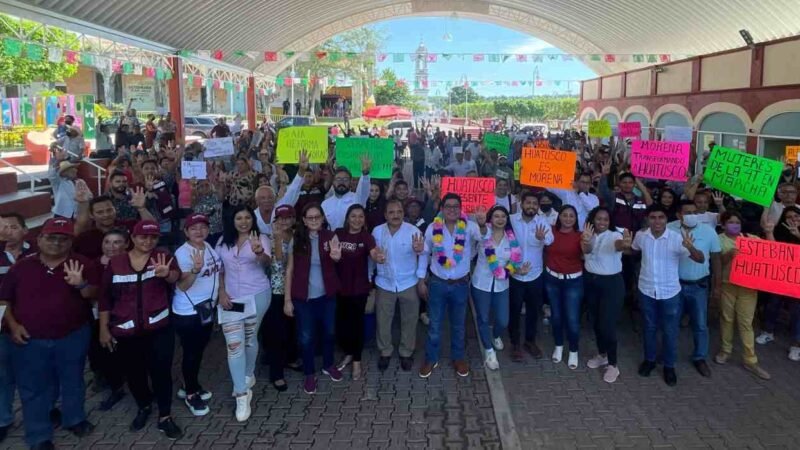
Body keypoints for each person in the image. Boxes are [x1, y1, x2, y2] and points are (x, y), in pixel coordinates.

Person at [0, 218, 99, 449]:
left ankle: (74, 419)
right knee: (32, 387)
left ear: (70, 241)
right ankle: (38, 435)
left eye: (63, 239)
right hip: (29, 339)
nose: (56, 243)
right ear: (40, 239)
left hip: (73, 335)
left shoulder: (82, 263)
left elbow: (94, 294)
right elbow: (3, 301)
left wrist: (82, 284)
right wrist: (13, 326)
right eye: (51, 237)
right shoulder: (21, 267)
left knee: (73, 380)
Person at [98, 220, 183, 439]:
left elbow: (176, 277)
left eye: (153, 237)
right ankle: (143, 405)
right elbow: (105, 298)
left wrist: (166, 274)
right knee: (135, 374)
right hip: (126, 331)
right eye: (143, 237)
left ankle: (165, 416)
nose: (148, 241)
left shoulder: (163, 256)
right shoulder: (116, 263)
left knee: (161, 373)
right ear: (132, 239)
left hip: (159, 328)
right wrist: (103, 329)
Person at [631, 205, 704, 386]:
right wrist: (622, 245)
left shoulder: (677, 238)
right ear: (648, 219)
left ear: (667, 219)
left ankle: (669, 366)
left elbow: (700, 259)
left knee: (670, 331)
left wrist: (691, 247)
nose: (657, 221)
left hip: (670, 292)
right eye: (653, 217)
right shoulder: (641, 236)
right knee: (649, 327)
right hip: (647, 290)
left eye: (661, 217)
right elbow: (633, 250)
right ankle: (649, 360)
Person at [215, 206, 272, 421]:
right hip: (230, 299)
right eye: (239, 218)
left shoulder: (261, 238)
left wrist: (259, 252)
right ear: (233, 220)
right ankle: (241, 393)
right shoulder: (222, 241)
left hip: (257, 295)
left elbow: (267, 264)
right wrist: (221, 292)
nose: (244, 221)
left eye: (248, 217)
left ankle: (248, 375)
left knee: (249, 339)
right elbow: (220, 270)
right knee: (234, 345)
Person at [419, 193, 484, 378]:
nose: (452, 209)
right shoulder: (432, 228)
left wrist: (481, 224)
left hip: (460, 284)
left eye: (456, 206)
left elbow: (483, 239)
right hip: (437, 284)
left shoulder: (470, 227)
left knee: (458, 325)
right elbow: (425, 254)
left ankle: (458, 358)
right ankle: (431, 358)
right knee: (435, 325)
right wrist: (420, 279)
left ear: (461, 208)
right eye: (448, 206)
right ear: (442, 209)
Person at [284, 203, 343, 394]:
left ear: (323, 218)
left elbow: (336, 259)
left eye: (317, 217)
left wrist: (335, 256)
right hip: (304, 298)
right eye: (310, 218)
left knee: (329, 333)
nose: (314, 220)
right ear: (304, 220)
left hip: (327, 296)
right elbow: (290, 269)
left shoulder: (330, 236)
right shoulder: (298, 238)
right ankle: (309, 373)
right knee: (306, 337)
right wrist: (287, 299)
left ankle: (328, 364)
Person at [172, 214, 221, 416]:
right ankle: (191, 394)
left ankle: (189, 384)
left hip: (206, 309)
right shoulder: (183, 253)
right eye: (194, 228)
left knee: (198, 351)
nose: (199, 231)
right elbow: (182, 285)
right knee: (191, 353)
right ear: (186, 232)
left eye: (203, 227)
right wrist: (194, 270)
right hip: (189, 312)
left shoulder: (208, 246)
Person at [713, 210, 770, 379]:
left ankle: (750, 360)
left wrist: (769, 232)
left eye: (737, 222)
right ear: (723, 225)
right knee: (727, 319)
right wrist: (729, 255)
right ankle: (725, 351)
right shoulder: (718, 240)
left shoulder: (752, 239)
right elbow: (716, 264)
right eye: (730, 222)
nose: (735, 225)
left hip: (748, 288)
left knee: (746, 323)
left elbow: (771, 252)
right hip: (727, 285)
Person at [667, 200, 721, 377]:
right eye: (687, 212)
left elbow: (716, 260)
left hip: (699, 285)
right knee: (671, 324)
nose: (691, 215)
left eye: (694, 212)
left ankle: (699, 357)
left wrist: (717, 287)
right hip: (674, 286)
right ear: (678, 215)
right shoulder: (669, 229)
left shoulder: (709, 231)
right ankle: (669, 356)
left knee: (700, 325)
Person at [372, 199, 426, 372]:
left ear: (403, 213)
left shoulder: (413, 231)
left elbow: (424, 255)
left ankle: (406, 352)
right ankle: (385, 351)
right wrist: (370, 273)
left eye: (399, 212)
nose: (396, 215)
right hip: (384, 283)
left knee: (410, 319)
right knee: (383, 320)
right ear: (385, 214)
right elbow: (370, 255)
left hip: (408, 282)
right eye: (391, 212)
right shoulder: (377, 232)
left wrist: (420, 253)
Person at [472, 205, 527, 370]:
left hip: (502, 284)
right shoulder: (482, 234)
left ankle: (495, 335)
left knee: (503, 320)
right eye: (496, 216)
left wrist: (519, 270)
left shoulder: (511, 238)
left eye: (503, 216)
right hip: (481, 283)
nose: (500, 219)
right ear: (490, 218)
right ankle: (489, 352)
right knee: (482, 318)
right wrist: (481, 225)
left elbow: (515, 261)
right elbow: (477, 238)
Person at [581, 207, 631, 383]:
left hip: (612, 285)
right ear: (593, 220)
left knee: (607, 325)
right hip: (592, 283)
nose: (602, 222)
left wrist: (625, 244)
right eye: (599, 219)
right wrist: (586, 240)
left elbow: (620, 245)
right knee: (595, 321)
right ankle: (602, 354)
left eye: (606, 219)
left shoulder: (614, 235)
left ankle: (613, 364)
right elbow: (586, 251)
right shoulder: (588, 234)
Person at [334, 205, 380, 380]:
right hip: (340, 287)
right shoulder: (338, 233)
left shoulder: (366, 237)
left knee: (357, 324)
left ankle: (357, 361)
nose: (357, 220)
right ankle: (348, 353)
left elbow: (373, 252)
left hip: (359, 288)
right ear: (347, 218)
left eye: (360, 216)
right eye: (353, 216)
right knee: (343, 324)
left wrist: (378, 257)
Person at [508, 191, 552, 362]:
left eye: (535, 203)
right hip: (515, 275)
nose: (532, 206)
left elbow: (551, 240)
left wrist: (543, 237)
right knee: (515, 310)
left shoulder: (542, 222)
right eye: (529, 203)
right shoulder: (511, 220)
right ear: (522, 203)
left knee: (533, 311)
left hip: (535, 275)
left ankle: (530, 341)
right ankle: (515, 344)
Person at [263, 205, 301, 391]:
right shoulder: (268, 238)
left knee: (291, 328)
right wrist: (277, 238)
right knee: (276, 332)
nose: (284, 221)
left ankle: (291, 359)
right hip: (275, 292)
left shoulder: (296, 236)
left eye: (288, 217)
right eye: (281, 217)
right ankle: (276, 373)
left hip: (294, 289)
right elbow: (279, 261)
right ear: (275, 220)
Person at [756, 205, 800, 359]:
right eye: (789, 217)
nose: (793, 219)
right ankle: (768, 332)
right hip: (781, 278)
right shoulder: (780, 232)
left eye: (796, 216)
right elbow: (773, 250)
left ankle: (796, 345)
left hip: (798, 281)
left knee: (796, 312)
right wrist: (769, 232)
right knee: (773, 304)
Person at [544, 205, 584, 369]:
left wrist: (587, 242)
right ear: (559, 216)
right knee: (556, 316)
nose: (568, 218)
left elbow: (586, 252)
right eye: (565, 215)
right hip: (552, 279)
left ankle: (573, 350)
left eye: (571, 216)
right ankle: (558, 345)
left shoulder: (581, 235)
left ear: (575, 219)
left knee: (572, 319)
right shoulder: (550, 231)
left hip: (573, 282)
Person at [321, 157, 371, 230]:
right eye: (338, 179)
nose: (342, 182)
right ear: (333, 181)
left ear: (350, 182)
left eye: (345, 179)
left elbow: (364, 189)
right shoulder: (325, 204)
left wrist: (365, 173)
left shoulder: (357, 199)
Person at [48, 148, 81, 218]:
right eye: (71, 169)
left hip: (75, 213)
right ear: (65, 172)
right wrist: (58, 160)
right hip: (62, 213)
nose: (75, 170)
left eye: (74, 168)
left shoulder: (78, 182)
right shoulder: (59, 182)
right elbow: (52, 176)